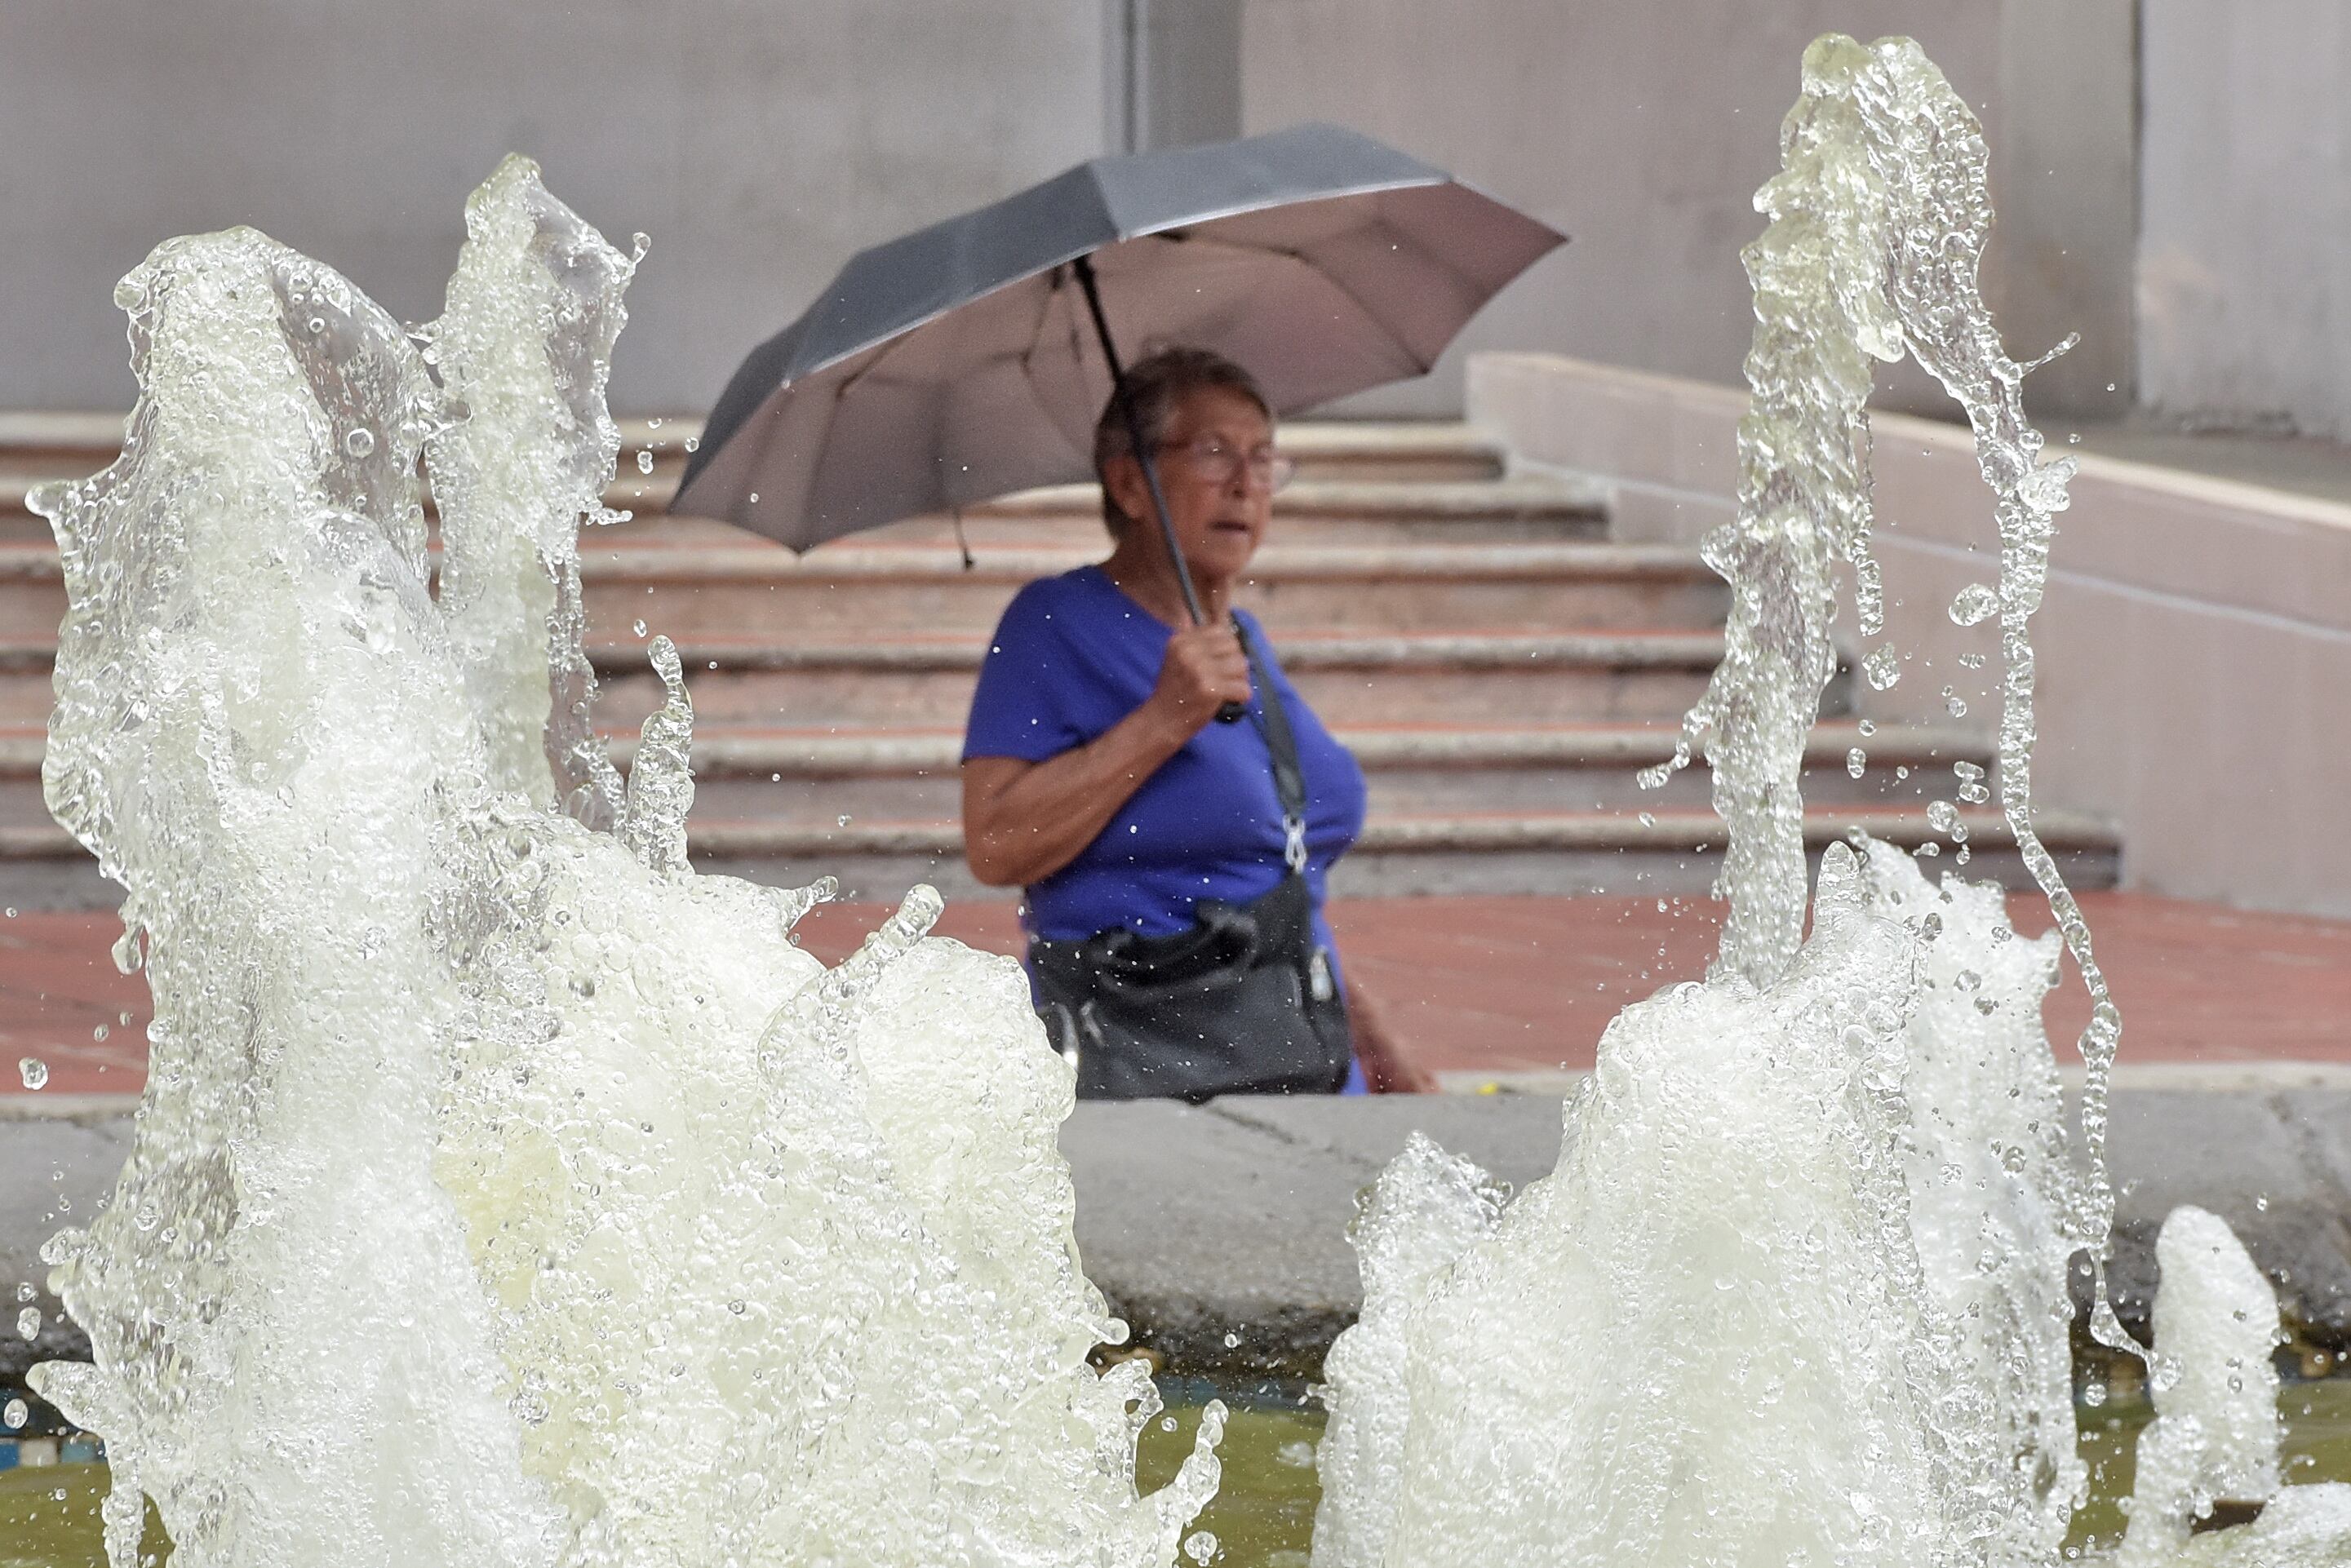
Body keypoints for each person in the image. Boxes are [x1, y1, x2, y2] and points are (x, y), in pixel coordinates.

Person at [960, 345, 1432, 1098]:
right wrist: (1160, 721)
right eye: (1213, 454)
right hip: (1143, 1054)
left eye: (1263, 458)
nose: (1245, 485)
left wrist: (1376, 1046)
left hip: (1295, 1055)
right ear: (1128, 482)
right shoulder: (1056, 622)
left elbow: (1286, 879)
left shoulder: (1242, 643)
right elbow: (995, 844)